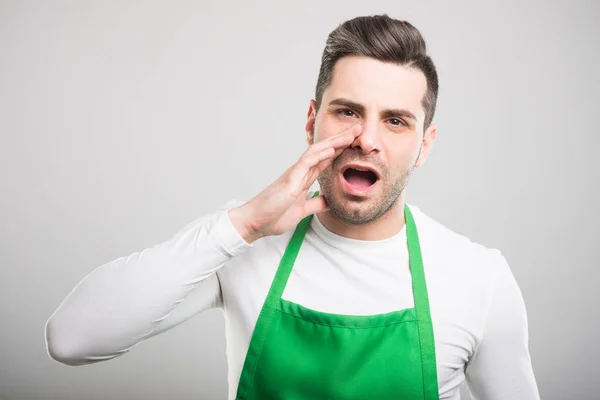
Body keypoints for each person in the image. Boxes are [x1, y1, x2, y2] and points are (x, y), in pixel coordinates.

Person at [45, 14, 540, 400]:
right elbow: (72, 339)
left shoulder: (478, 278)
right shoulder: (247, 246)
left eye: (395, 121)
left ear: (424, 145)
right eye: (347, 111)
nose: (366, 139)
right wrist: (243, 224)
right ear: (312, 120)